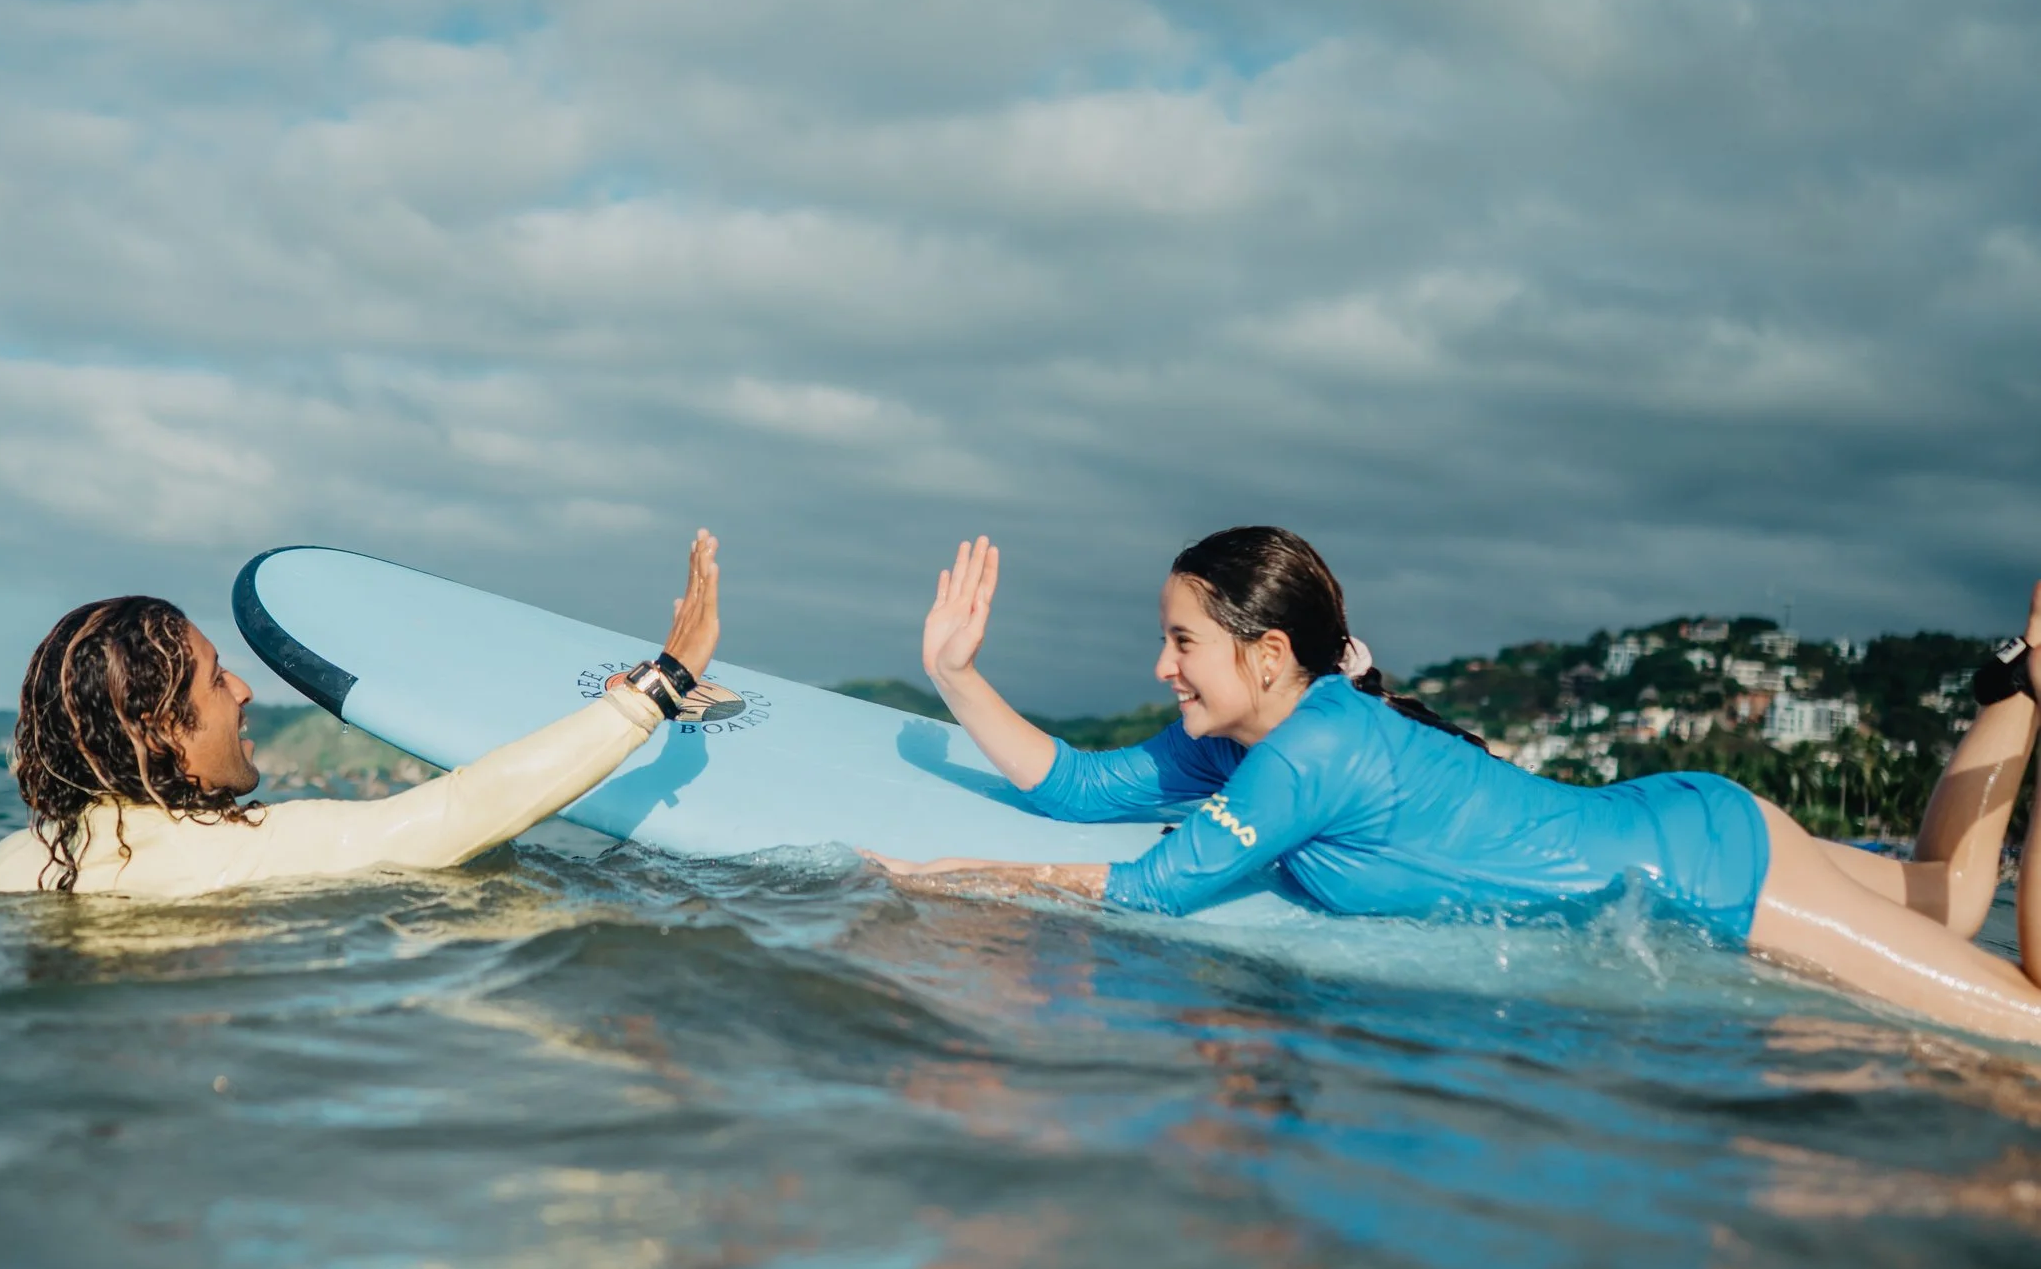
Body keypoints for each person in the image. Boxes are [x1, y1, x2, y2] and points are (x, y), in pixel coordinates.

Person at [867, 530, 2041, 1045]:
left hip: (1711, 873)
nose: (1158, 665)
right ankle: (2019, 682)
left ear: (1266, 657)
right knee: (1941, 895)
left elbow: (1141, 891)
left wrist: (947, 883)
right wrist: (955, 675)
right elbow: (1074, 785)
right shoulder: (1236, 745)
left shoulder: (1314, 750)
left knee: (2027, 1028)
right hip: (1693, 825)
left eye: (1181, 642)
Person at [0, 531, 721, 896]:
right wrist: (657, 687)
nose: (246, 690)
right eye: (216, 679)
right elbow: (462, 810)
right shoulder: (254, 851)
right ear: (163, 730)